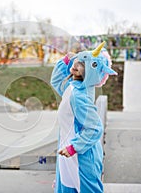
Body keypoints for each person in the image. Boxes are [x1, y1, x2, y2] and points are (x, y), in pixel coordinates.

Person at [51, 41, 117, 193]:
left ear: (91, 71)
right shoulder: (72, 87)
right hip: (69, 152)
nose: (77, 64)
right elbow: (56, 81)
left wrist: (74, 147)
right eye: (78, 60)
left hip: (81, 157)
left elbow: (94, 129)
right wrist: (65, 61)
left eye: (83, 64)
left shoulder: (79, 97)